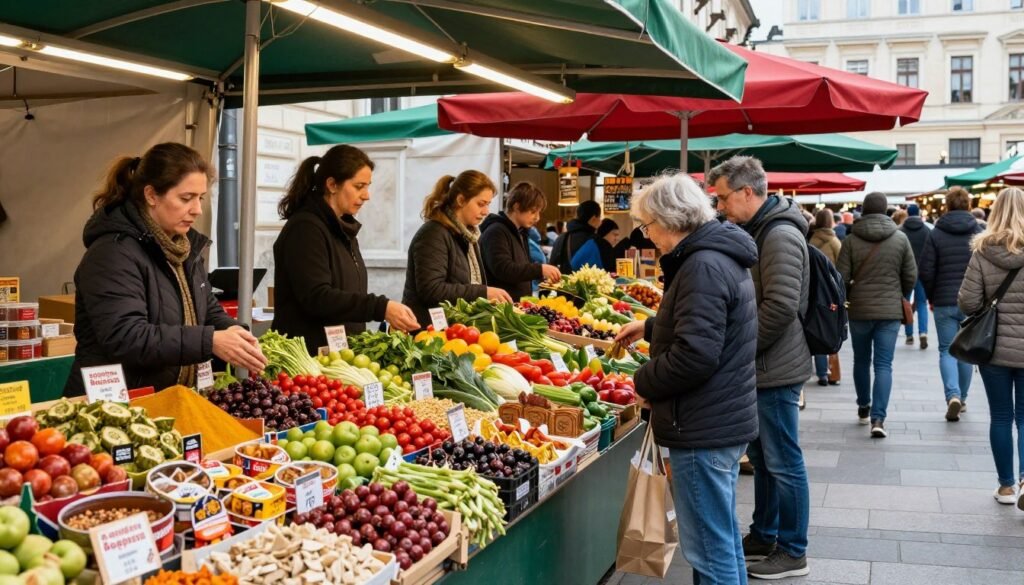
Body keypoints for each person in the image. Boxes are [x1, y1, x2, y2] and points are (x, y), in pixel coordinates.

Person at [614, 173, 757, 585]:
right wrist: (654, 326)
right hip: (720, 418)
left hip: (702, 426)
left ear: (669, 219)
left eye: (646, 225)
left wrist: (643, 381)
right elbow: (709, 324)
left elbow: (695, 355)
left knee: (710, 554)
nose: (647, 235)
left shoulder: (702, 265)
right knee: (722, 541)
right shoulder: (717, 255)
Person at [66, 143, 267, 395]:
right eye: (186, 198)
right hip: (116, 402)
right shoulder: (112, 253)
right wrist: (210, 341)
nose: (197, 209)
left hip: (169, 397)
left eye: (200, 198)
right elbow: (126, 336)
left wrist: (233, 332)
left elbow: (206, 311)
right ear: (151, 195)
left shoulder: (184, 248)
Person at [709, 155, 811, 580]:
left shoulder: (780, 233)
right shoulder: (759, 229)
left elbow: (782, 306)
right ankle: (765, 533)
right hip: (762, 364)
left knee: (784, 460)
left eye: (723, 198)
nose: (719, 207)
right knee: (765, 457)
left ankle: (793, 550)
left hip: (775, 366)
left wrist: (741, 349)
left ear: (748, 192)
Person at [272, 145, 419, 354]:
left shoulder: (343, 228)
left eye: (368, 186)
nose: (367, 195)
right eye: (359, 186)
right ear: (332, 184)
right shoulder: (305, 229)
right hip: (309, 356)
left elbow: (346, 294)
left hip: (340, 353)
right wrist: (381, 308)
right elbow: (318, 297)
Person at [958, 187, 1024, 507]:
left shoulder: (983, 252)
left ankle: (1007, 487)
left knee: (1001, 417)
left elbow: (968, 302)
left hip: (993, 348)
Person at [837, 192, 917, 438]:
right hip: (890, 311)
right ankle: (878, 418)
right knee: (884, 364)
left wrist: (851, 295)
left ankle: (863, 405)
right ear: (885, 211)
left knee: (861, 360)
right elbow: (910, 275)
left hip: (860, 309)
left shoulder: (851, 240)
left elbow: (840, 276)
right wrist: (899, 293)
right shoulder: (900, 239)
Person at [403, 171, 513, 327]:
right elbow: (431, 290)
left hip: (454, 328)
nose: (486, 211)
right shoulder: (433, 234)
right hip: (427, 330)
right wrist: (483, 292)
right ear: (461, 200)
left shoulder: (469, 235)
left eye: (488, 204)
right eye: (481, 204)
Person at [919, 187, 982, 422]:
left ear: (946, 205)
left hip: (944, 300)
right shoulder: (978, 231)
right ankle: (963, 398)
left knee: (946, 349)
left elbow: (926, 270)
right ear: (967, 204)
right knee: (965, 351)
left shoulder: (936, 233)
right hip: (972, 301)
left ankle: (952, 395)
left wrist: (933, 296)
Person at [479, 181, 561, 301]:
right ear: (516, 207)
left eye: (539, 212)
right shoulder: (496, 231)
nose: (537, 218)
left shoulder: (520, 232)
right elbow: (503, 269)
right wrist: (540, 269)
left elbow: (521, 268)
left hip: (517, 304)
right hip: (501, 308)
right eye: (533, 212)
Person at [809, 208, 842, 387]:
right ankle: (831, 372)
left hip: (813, 291)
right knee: (831, 329)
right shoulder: (835, 242)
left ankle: (822, 373)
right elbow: (840, 270)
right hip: (831, 293)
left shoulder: (811, 240)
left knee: (819, 328)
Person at [900, 203, 931, 349]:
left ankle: (909, 334)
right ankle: (923, 332)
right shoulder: (927, 231)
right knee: (922, 303)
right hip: (922, 272)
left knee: (906, 302)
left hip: (906, 272)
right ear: (919, 213)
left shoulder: (900, 231)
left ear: (907, 213)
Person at [549, 200, 602, 273]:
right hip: (591, 283)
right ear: (593, 219)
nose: (600, 222)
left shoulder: (561, 238)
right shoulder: (596, 241)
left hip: (564, 283)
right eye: (599, 218)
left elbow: (552, 267)